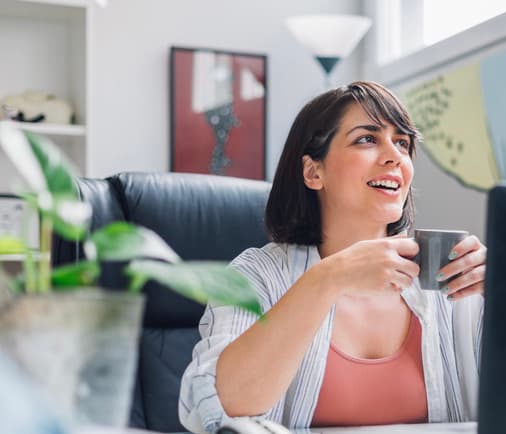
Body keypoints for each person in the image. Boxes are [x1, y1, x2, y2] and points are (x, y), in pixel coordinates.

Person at [179, 81, 487, 433]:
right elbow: (223, 406)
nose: (394, 156)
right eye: (367, 139)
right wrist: (329, 278)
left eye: (402, 143)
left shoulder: (450, 279)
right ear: (314, 172)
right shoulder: (256, 275)